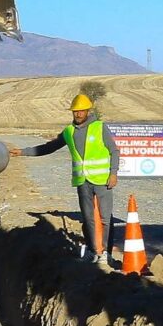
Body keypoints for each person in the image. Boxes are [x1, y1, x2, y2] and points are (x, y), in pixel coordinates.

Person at [30, 91, 116, 266]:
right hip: (82, 182)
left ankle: (106, 253)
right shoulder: (69, 131)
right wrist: (23, 152)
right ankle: (92, 251)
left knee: (105, 218)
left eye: (81, 111)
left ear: (88, 111)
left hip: (102, 180)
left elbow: (114, 151)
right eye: (75, 111)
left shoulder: (100, 127)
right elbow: (49, 147)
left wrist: (113, 173)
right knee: (88, 218)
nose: (78, 114)